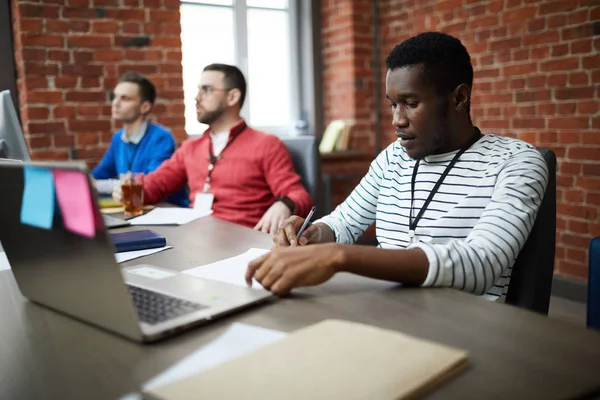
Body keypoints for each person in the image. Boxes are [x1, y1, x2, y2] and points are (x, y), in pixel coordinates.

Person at [246, 32, 549, 300]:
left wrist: (339, 257)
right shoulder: (393, 158)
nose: (397, 120)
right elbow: (344, 223)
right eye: (393, 104)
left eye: (411, 104)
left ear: (459, 97)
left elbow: (480, 264)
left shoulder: (516, 162)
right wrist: (314, 234)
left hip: (463, 328)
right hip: (385, 309)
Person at [113, 63, 313, 232]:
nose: (197, 97)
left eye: (206, 90)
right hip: (195, 240)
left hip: (244, 245)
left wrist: (284, 204)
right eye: (199, 89)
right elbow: (156, 185)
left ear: (233, 97)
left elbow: (298, 195)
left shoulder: (267, 144)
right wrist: (130, 189)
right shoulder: (191, 147)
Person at [92, 71, 188, 206]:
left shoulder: (161, 138)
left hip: (164, 211)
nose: (115, 103)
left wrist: (100, 185)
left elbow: (152, 184)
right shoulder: (118, 138)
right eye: (115, 97)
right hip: (135, 209)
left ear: (145, 107)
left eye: (125, 98)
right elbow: (99, 174)